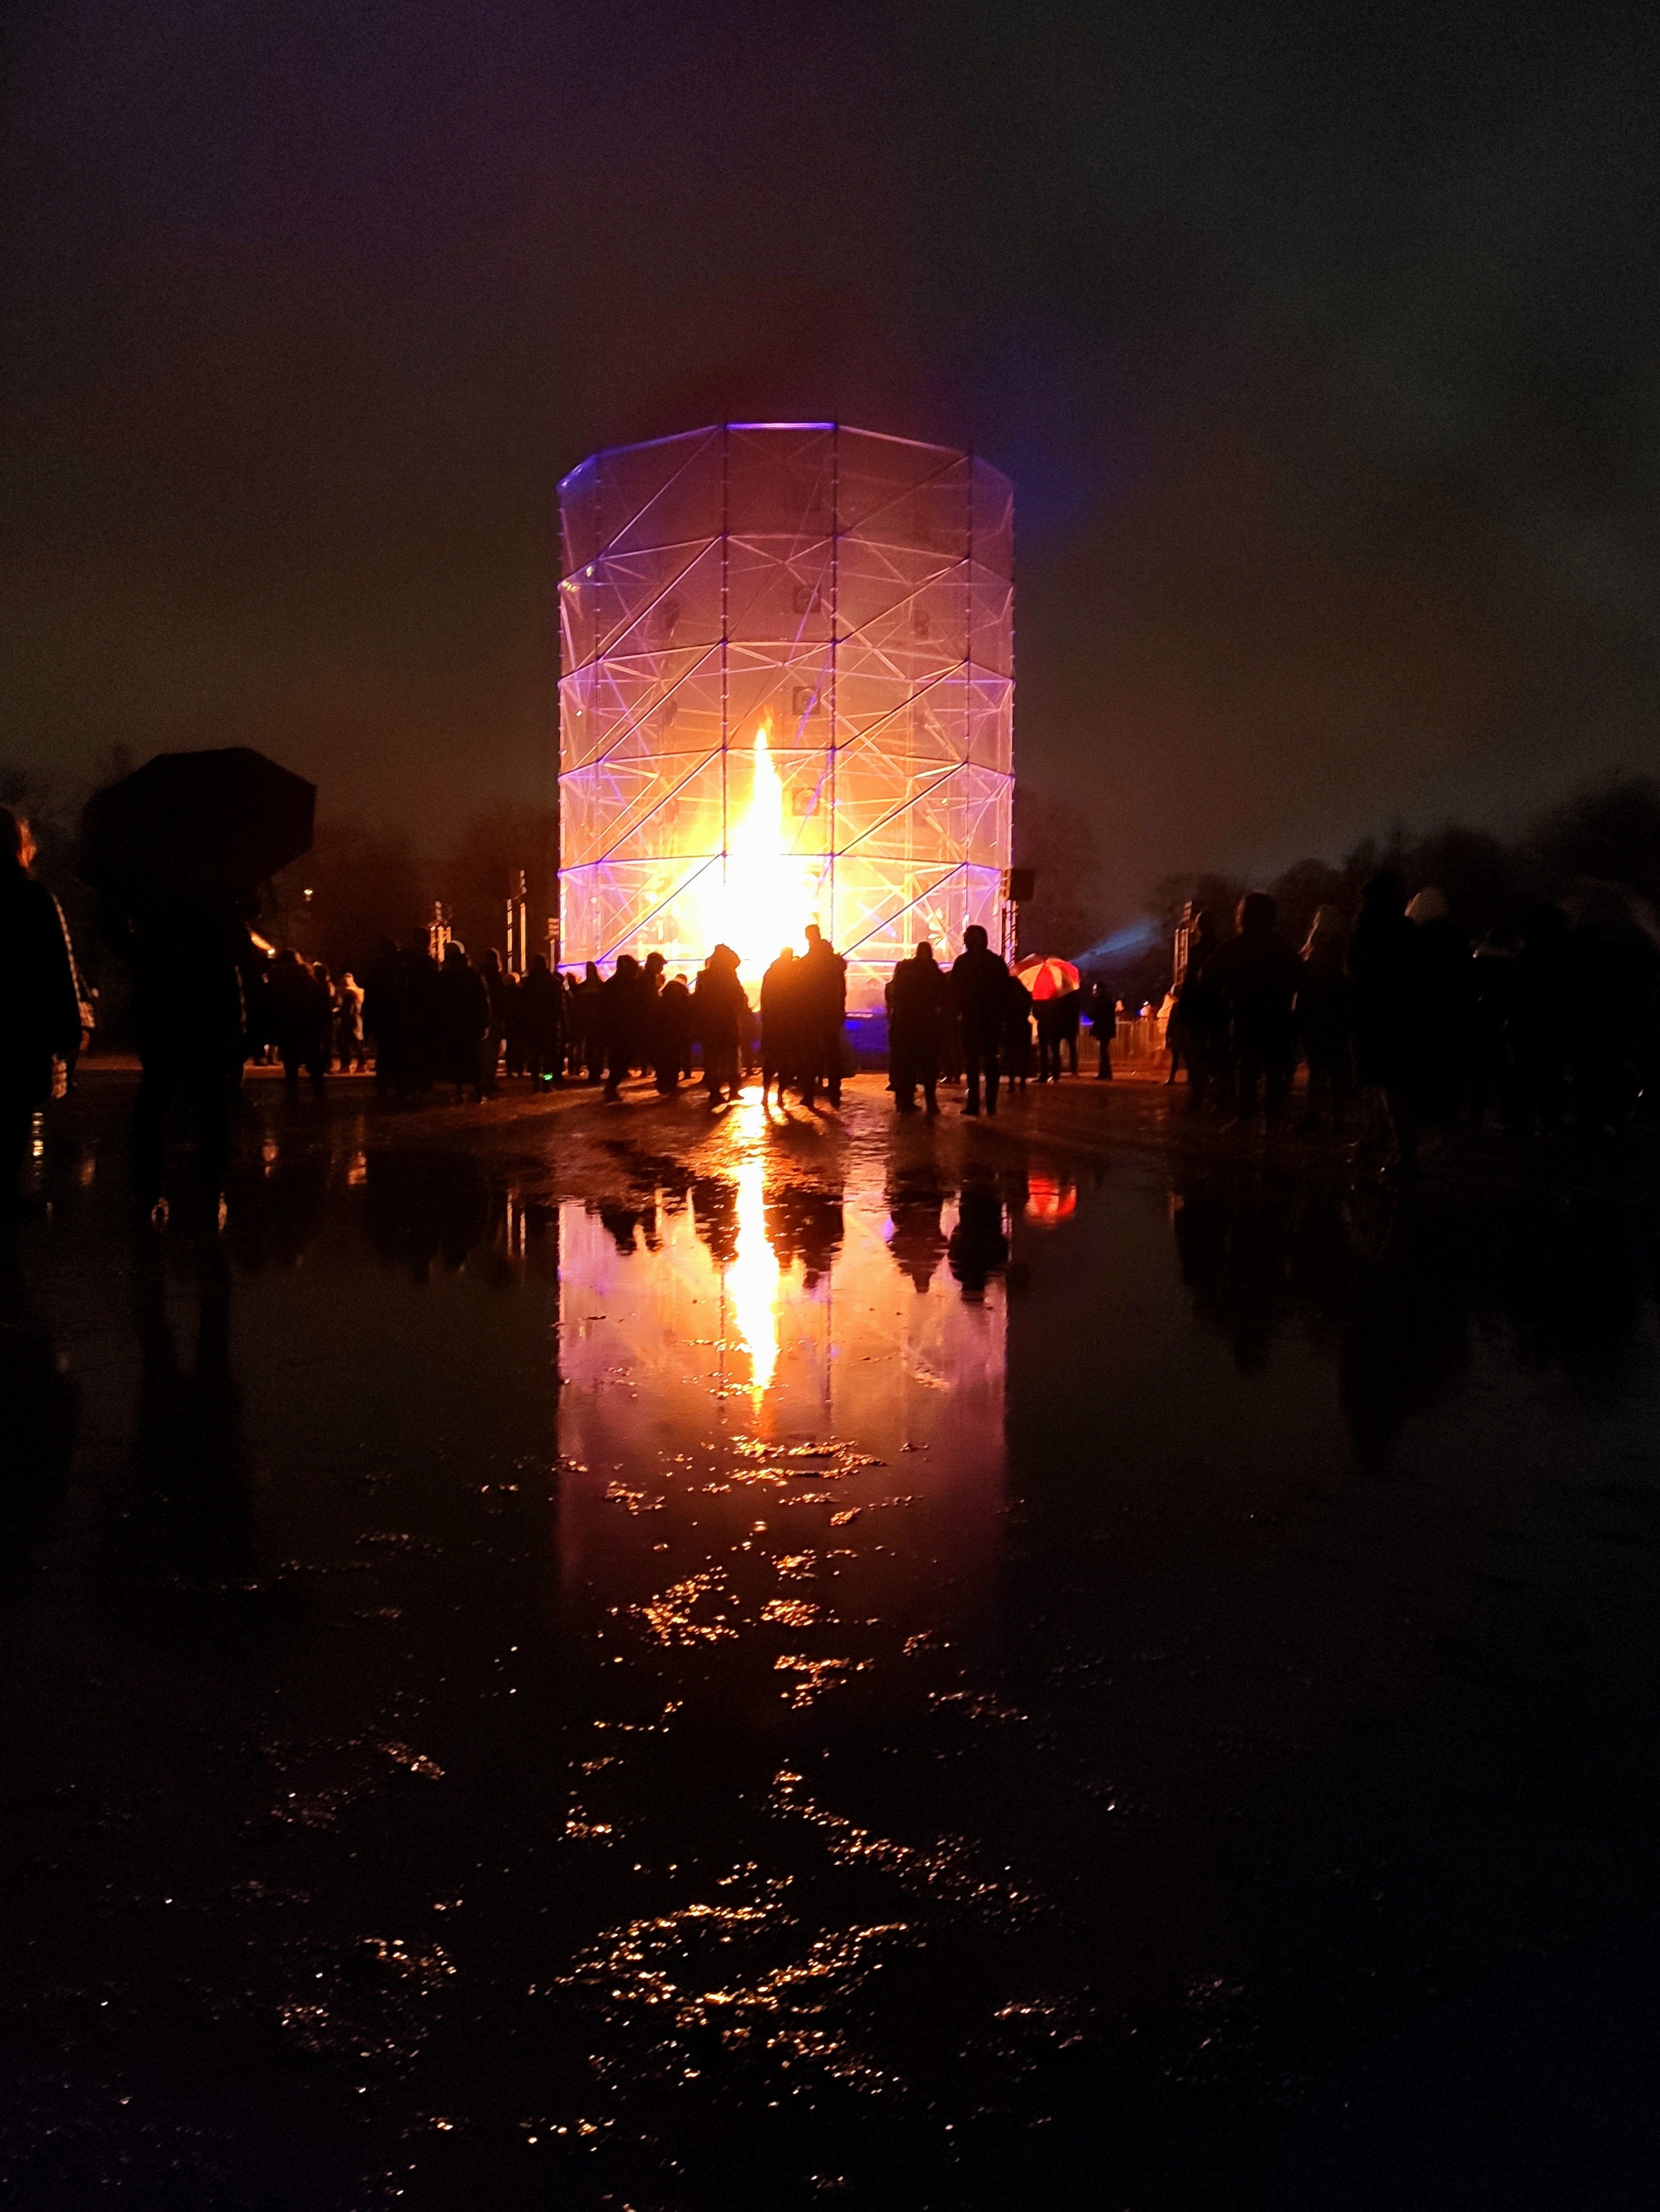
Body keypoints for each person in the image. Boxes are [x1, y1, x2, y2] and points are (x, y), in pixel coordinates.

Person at [0, 808, 84, 1212]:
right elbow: (57, 965)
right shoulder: (32, 898)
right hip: (20, 1026)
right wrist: (69, 1027)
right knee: (12, 1110)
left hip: (20, 1023)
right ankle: (4, 1194)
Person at [1200, 893, 1302, 1129]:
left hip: (1245, 1013)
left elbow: (1206, 975)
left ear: (1242, 916)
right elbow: (1299, 977)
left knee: (1247, 1067)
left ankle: (1245, 1116)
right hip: (1277, 1015)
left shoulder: (1235, 947)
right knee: (1274, 1069)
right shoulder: (1281, 947)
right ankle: (1272, 1119)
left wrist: (1223, 992)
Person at [1349, 871, 1421, 1170]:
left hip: (1371, 1014)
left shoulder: (1364, 931)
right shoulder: (1407, 931)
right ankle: (1400, 1143)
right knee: (1395, 1083)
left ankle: (1385, 1142)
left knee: (1377, 1083)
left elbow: (1354, 973)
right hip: (1400, 1014)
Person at [1406, 886, 1472, 1129]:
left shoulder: (1415, 939)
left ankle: (1429, 1118)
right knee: (1450, 1067)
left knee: (1426, 1067)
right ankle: (1449, 1116)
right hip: (1453, 1011)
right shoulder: (1457, 938)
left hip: (1424, 1011)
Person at [1296, 905, 1351, 1133]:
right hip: (1337, 1018)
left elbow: (1303, 986)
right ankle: (1338, 1117)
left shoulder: (1314, 954)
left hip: (1315, 1018)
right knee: (1336, 1069)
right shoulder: (1344, 954)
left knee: (1317, 1070)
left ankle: (1313, 1116)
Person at [949, 923, 1008, 1116]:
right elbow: (1004, 991)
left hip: (971, 1018)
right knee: (991, 1060)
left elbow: (955, 991)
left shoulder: (963, 963)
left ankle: (974, 1103)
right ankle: (991, 1103)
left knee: (972, 1062)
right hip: (991, 1019)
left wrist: (957, 1013)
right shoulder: (996, 962)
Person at [1170, 908, 1226, 1111]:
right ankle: (1220, 1097)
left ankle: (1197, 1097)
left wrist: (1184, 1010)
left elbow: (1191, 983)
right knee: (1217, 1055)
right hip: (1217, 1009)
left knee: (1196, 1055)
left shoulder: (1196, 951)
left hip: (1199, 1010)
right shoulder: (1221, 948)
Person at [887, 941, 950, 1113]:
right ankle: (930, 1103)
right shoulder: (934, 973)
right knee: (929, 1065)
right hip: (927, 1025)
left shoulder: (907, 971)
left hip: (906, 1024)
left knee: (908, 1065)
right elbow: (944, 996)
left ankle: (905, 1102)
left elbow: (896, 994)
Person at [266, 949, 330, 1100]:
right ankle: (319, 1090)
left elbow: (270, 1001)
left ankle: (292, 1093)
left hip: (286, 1022)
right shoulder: (306, 976)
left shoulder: (276, 977)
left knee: (290, 1059)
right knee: (313, 1057)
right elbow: (320, 999)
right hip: (309, 1023)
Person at [693, 945, 749, 1104]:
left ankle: (715, 1092)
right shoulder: (729, 976)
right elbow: (739, 997)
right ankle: (733, 1089)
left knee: (712, 1059)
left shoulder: (704, 976)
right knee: (731, 1057)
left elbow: (698, 999)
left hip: (709, 1024)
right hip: (727, 1023)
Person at [798, 923, 847, 1107]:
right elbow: (842, 989)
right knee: (833, 1051)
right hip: (831, 1012)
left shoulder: (810, 961)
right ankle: (834, 1089)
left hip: (813, 1012)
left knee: (811, 1053)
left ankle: (809, 1094)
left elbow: (803, 989)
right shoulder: (833, 961)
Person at [436, 941, 491, 1101]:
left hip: (453, 1023)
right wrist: (484, 1022)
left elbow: (439, 1001)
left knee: (456, 1058)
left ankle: (459, 1090)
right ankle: (478, 1091)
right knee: (473, 1057)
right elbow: (483, 1000)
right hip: (470, 1023)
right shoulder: (472, 975)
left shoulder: (445, 976)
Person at [760, 947, 804, 1105]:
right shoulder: (794, 974)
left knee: (770, 1060)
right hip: (789, 1023)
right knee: (786, 1060)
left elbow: (764, 996)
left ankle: (765, 1094)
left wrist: (765, 1016)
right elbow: (799, 998)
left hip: (772, 1023)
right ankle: (780, 1094)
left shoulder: (770, 972)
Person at [518, 954, 564, 1085]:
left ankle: (535, 1081)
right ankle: (547, 1082)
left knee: (534, 1055)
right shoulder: (552, 981)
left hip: (532, 1023)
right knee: (548, 1056)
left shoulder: (528, 982)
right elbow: (557, 1003)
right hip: (548, 1023)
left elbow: (523, 1003)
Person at [653, 972, 695, 1094]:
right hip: (678, 1031)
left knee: (666, 1057)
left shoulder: (664, 994)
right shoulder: (683, 993)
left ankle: (663, 1082)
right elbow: (687, 1012)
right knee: (675, 1057)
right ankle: (671, 1084)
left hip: (664, 1031)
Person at [1003, 971, 1035, 1091]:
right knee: (1023, 1055)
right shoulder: (1025, 994)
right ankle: (1022, 1082)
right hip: (1024, 1026)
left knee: (1011, 1055)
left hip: (1012, 1026)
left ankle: (1012, 1083)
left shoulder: (1008, 997)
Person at [1083, 975, 1117, 1077]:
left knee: (1103, 1051)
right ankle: (1106, 1072)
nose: (1093, 991)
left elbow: (1099, 1014)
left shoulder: (1101, 1000)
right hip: (1107, 1029)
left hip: (1103, 1029)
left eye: (1095, 989)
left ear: (1099, 989)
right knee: (1104, 1051)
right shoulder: (1108, 999)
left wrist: (1088, 1014)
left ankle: (1105, 1073)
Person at [335, 969, 366, 1072]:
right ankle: (362, 1064)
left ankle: (346, 1065)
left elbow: (347, 1010)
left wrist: (337, 1013)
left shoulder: (349, 994)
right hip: (356, 1021)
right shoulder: (356, 993)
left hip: (348, 1022)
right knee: (356, 1044)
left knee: (344, 1044)